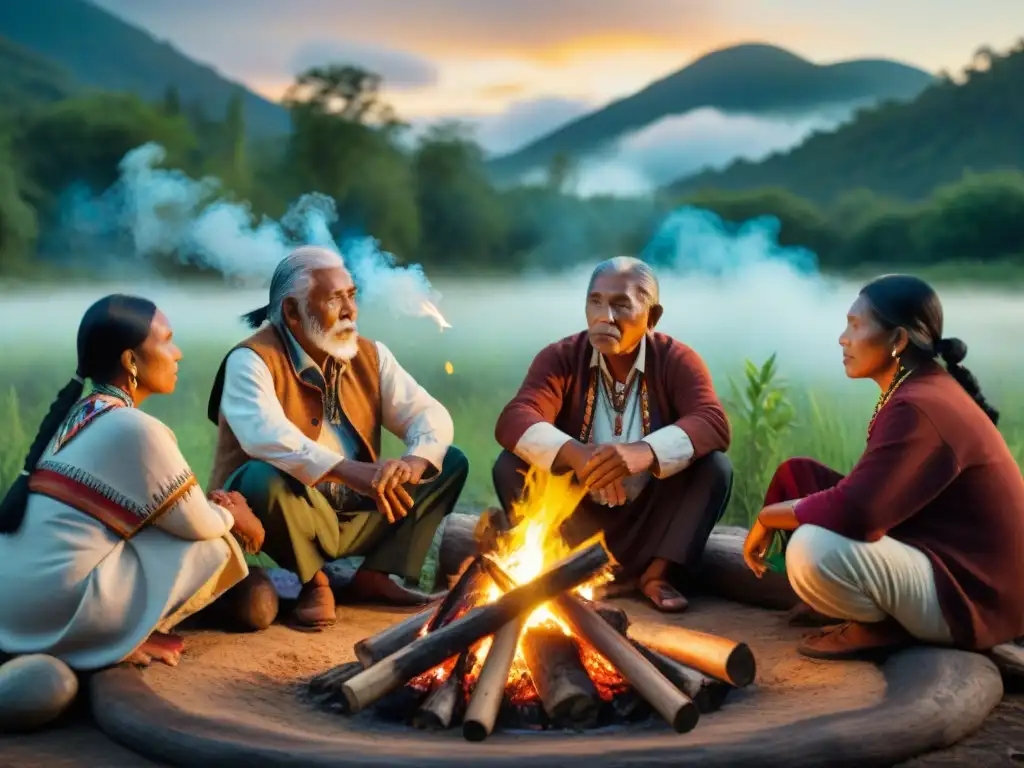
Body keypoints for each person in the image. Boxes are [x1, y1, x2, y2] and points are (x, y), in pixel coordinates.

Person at [744, 274, 1024, 659]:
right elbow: (873, 498)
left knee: (814, 548)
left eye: (855, 326)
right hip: (953, 565)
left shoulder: (919, 404)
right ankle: (870, 615)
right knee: (800, 478)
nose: (843, 338)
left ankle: (879, 628)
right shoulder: (922, 387)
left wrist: (766, 517)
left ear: (898, 340)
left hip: (973, 596)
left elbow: (859, 513)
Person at [207, 245, 468, 630]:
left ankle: (376, 575)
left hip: (356, 508)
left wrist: (413, 462)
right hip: (286, 513)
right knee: (259, 478)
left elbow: (428, 415)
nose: (350, 311)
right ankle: (314, 581)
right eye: (334, 299)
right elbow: (262, 436)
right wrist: (349, 471)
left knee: (447, 460)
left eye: (351, 296)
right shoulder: (250, 359)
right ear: (292, 312)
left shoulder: (370, 355)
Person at [0, 295, 260, 670]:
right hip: (52, 616)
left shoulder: (80, 414)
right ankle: (112, 641)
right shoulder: (134, 427)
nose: (178, 353)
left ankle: (110, 633)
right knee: (214, 546)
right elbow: (199, 523)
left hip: (17, 606)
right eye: (167, 340)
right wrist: (234, 514)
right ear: (130, 360)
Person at [493, 257, 733, 612]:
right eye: (595, 302)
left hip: (651, 519)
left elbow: (713, 422)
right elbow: (514, 419)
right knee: (510, 464)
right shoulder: (561, 357)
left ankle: (657, 575)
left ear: (652, 316)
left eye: (621, 305)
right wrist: (579, 456)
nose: (605, 316)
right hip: (577, 519)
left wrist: (642, 453)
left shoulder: (676, 359)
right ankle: (564, 572)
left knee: (715, 468)